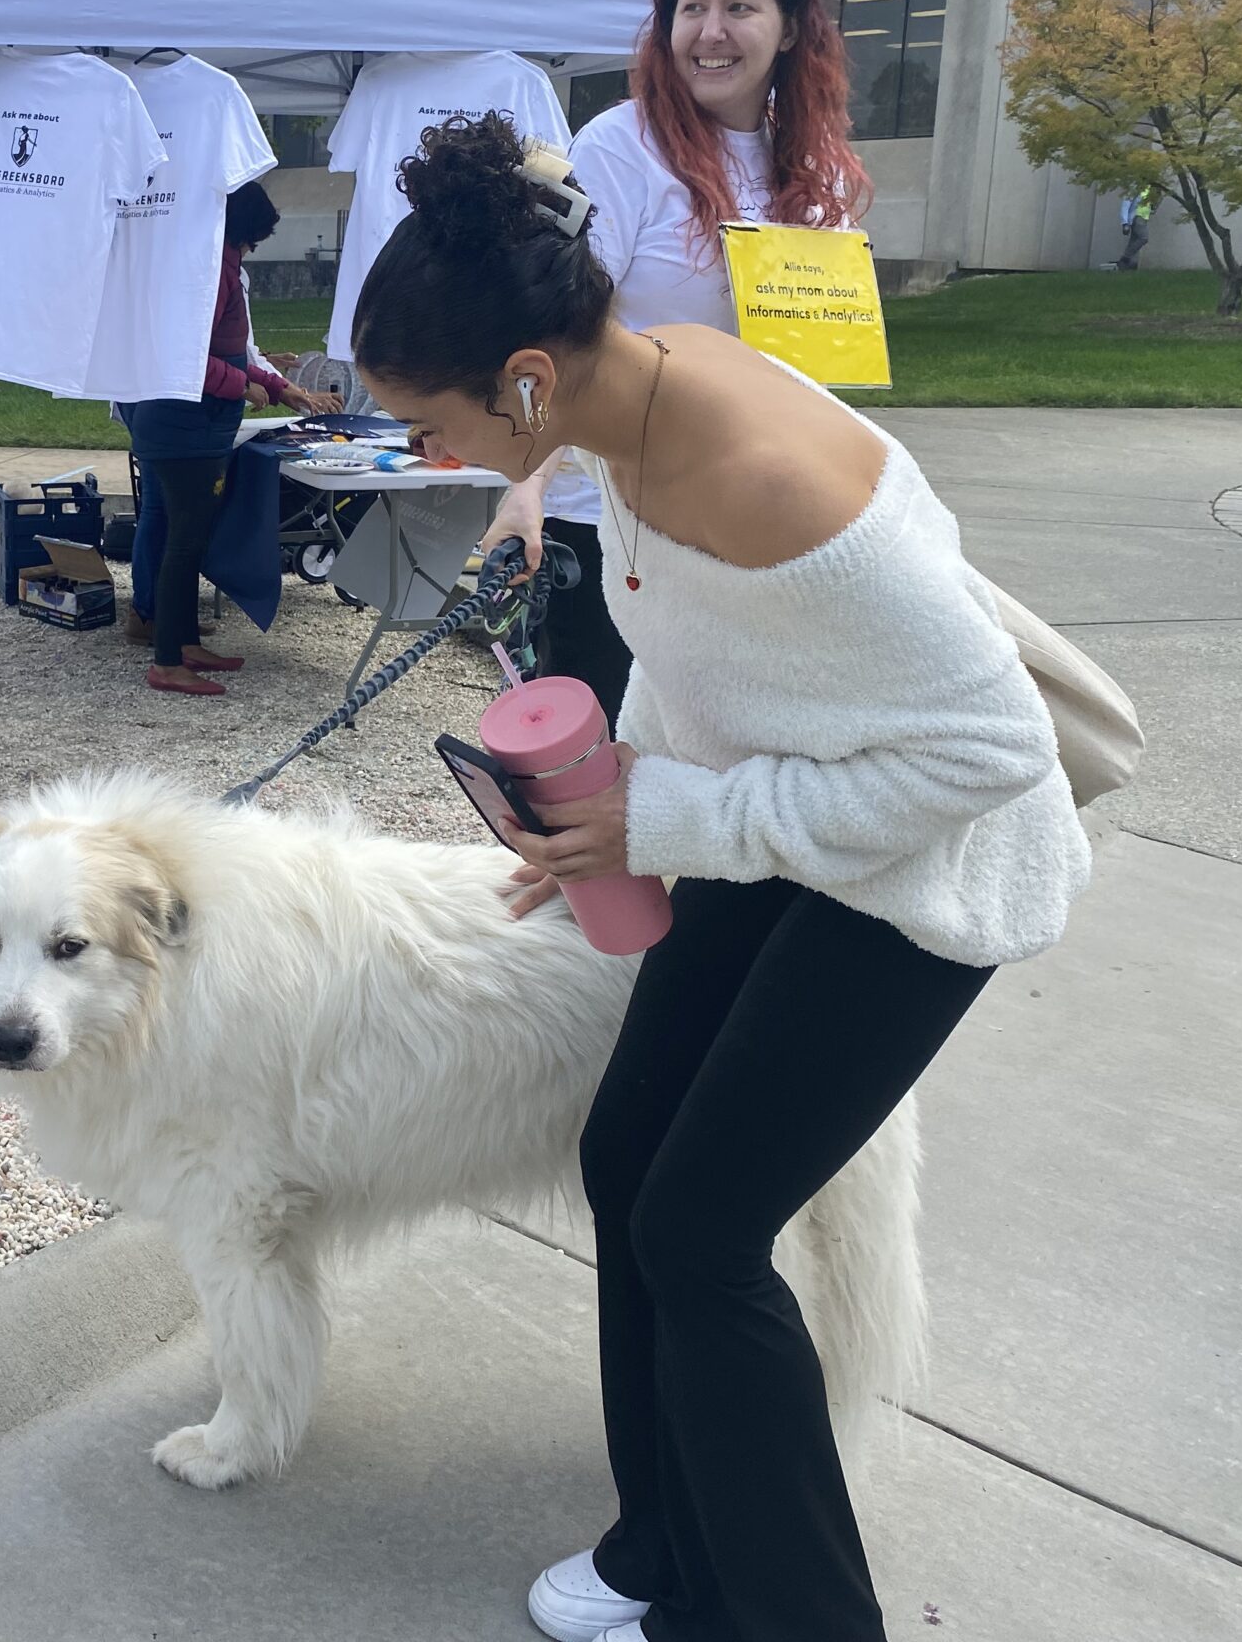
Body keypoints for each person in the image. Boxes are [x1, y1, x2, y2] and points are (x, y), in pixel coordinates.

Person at [352, 111, 1091, 1642]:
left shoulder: (758, 475)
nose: (423, 460)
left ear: (526, 381)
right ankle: (664, 1551)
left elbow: (991, 755)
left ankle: (789, 1617)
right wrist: (602, 805)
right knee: (630, 1160)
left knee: (700, 1227)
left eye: (429, 426)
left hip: (924, 877)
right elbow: (700, 652)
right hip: (783, 822)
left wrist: (670, 823)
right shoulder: (625, 414)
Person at [490, 0, 873, 731]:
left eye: (740, 7)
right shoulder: (623, 149)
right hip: (618, 520)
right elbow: (557, 335)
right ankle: (580, 866)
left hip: (755, 510)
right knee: (601, 747)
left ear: (792, 26)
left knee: (737, 743)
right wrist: (525, 487)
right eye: (691, 8)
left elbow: (819, 364)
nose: (711, 32)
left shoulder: (817, 168)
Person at [121, 180, 341, 697]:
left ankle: (184, 641)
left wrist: (275, 385)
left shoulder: (213, 265)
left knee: (188, 540)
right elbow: (186, 355)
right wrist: (242, 385)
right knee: (183, 541)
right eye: (252, 240)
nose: (250, 250)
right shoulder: (207, 270)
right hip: (183, 430)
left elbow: (233, 348)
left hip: (192, 429)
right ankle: (167, 662)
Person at [1116, 184, 1156, 269]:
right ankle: (1125, 258)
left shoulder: (1150, 188)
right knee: (1143, 238)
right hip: (1137, 216)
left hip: (1144, 218)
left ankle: (1125, 265)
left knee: (1133, 241)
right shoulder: (1136, 187)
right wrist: (1125, 223)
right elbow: (1126, 204)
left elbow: (1150, 205)